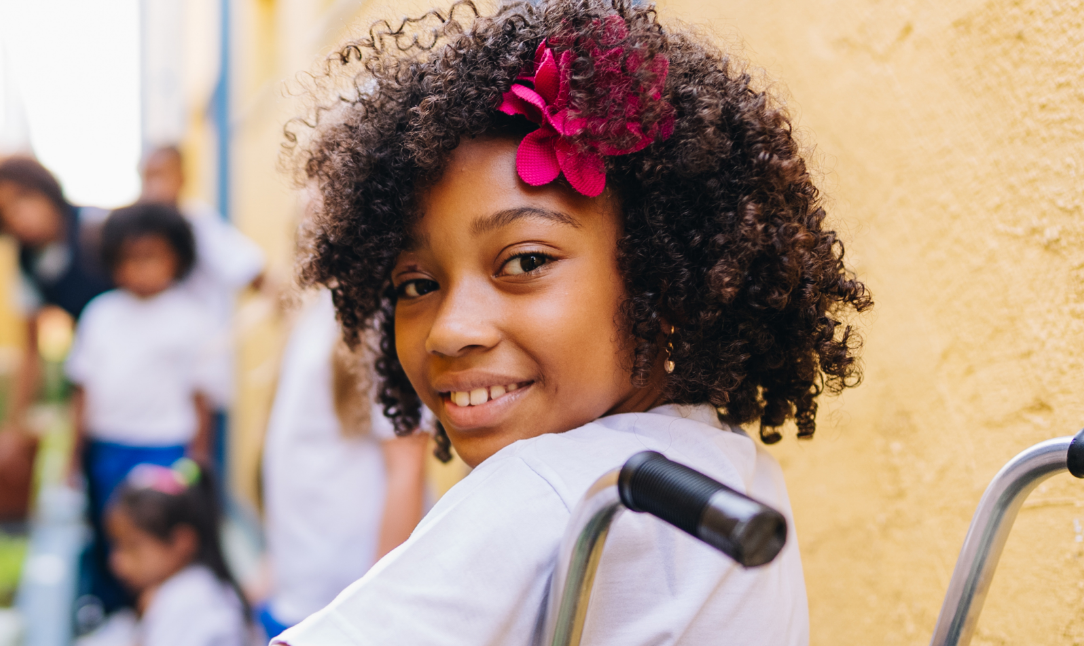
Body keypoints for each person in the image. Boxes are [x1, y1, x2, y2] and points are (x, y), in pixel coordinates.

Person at [274, 1, 873, 644]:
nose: (450, 330)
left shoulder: (553, 492)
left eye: (526, 260)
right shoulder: (726, 466)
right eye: (417, 285)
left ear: (661, 278)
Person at [65, 202, 219, 616]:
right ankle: (115, 613)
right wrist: (72, 460)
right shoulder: (100, 315)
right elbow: (82, 392)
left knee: (159, 542)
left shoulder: (191, 318)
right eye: (129, 259)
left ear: (177, 257)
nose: (140, 269)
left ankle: (161, 616)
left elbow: (201, 396)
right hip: (108, 448)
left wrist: (198, 458)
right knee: (112, 535)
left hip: (166, 450)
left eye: (151, 257)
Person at [255, 287, 431, 640]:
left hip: (350, 598)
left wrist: (377, 607)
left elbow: (408, 467)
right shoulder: (319, 303)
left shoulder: (382, 316)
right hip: (303, 580)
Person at [0, 157, 114, 484]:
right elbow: (30, 350)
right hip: (93, 370)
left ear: (45, 190)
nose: (17, 217)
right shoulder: (27, 263)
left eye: (22, 200)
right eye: (3, 214)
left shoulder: (97, 229)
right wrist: (12, 429)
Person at [137, 145, 266, 474]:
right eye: (147, 177)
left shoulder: (199, 226)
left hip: (201, 383)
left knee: (199, 479)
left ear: (182, 177)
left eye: (161, 176)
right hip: (158, 386)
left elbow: (257, 275)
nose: (154, 187)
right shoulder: (144, 230)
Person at [105, 460, 255, 646]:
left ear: (181, 542)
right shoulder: (186, 590)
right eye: (116, 545)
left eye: (132, 547)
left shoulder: (187, 601)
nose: (116, 561)